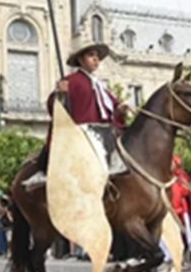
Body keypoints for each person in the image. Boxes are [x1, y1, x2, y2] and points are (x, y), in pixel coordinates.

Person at [23, 41, 132, 187]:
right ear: (81, 59)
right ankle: (44, 173)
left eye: (98, 56)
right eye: (91, 55)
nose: (96, 59)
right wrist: (60, 95)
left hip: (102, 132)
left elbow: (112, 107)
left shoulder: (100, 85)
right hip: (80, 132)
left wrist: (120, 110)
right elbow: (53, 105)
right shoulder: (71, 81)